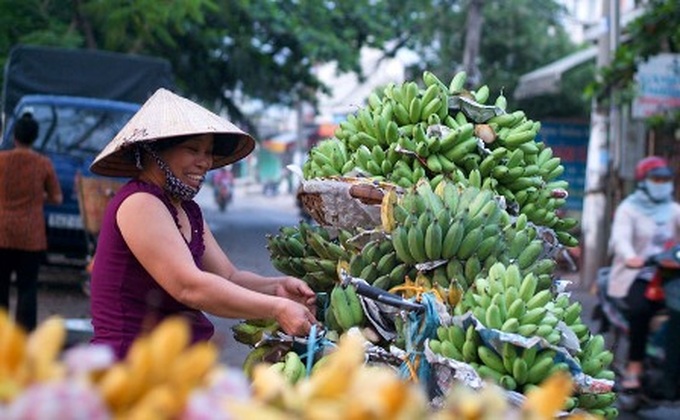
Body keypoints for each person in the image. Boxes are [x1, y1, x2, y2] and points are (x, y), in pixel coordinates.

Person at [88, 88, 318, 359]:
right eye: (192, 149)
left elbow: (228, 277)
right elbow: (189, 286)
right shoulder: (141, 203)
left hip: (176, 367)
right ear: (152, 153)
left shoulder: (187, 209)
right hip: (132, 368)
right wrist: (275, 308)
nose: (205, 162)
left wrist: (278, 287)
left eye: (208, 152)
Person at [607, 155, 680, 395]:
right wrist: (630, 256)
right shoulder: (629, 209)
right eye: (655, 179)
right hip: (637, 274)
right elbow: (620, 238)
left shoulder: (673, 210)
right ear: (643, 181)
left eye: (665, 179)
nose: (661, 183)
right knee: (640, 311)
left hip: (670, 275)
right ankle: (634, 367)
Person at [0, 112, 63, 331]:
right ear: (34, 137)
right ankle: (24, 338)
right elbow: (57, 198)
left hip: (2, 232)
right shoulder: (43, 163)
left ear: (15, 136)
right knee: (27, 288)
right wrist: (39, 196)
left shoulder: (1, 160)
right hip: (31, 236)